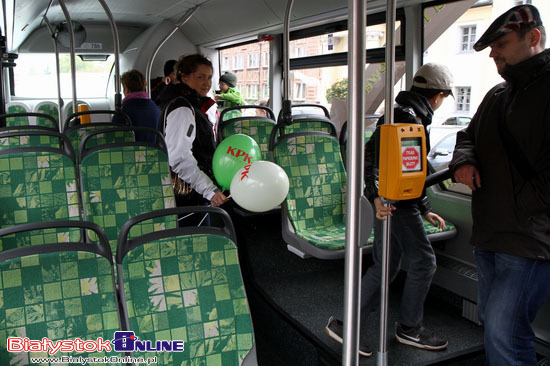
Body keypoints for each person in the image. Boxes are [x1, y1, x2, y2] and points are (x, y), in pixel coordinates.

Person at [324, 63, 453, 356]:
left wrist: (424, 207)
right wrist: (376, 197)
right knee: (424, 261)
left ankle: (345, 324)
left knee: (387, 265)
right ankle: (410, 328)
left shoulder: (407, 115)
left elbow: (411, 168)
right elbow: (373, 159)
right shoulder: (405, 118)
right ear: (437, 96)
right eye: (443, 98)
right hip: (395, 203)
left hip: (399, 201)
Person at [449, 5, 550, 365]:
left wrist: (530, 207)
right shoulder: (496, 96)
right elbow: (466, 137)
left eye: (501, 44)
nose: (493, 53)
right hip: (489, 233)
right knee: (494, 322)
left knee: (504, 333)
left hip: (530, 240)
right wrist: (464, 161)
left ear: (533, 38)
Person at [162, 54, 228, 219]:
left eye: (209, 77)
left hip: (195, 186)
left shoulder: (191, 104)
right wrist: (209, 190)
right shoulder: (183, 109)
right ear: (184, 78)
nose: (206, 83)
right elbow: (179, 158)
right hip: (188, 192)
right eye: (200, 77)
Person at [112, 69, 160, 143]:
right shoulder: (156, 109)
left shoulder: (122, 113)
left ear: (126, 89)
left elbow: (114, 137)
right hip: (154, 151)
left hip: (130, 153)